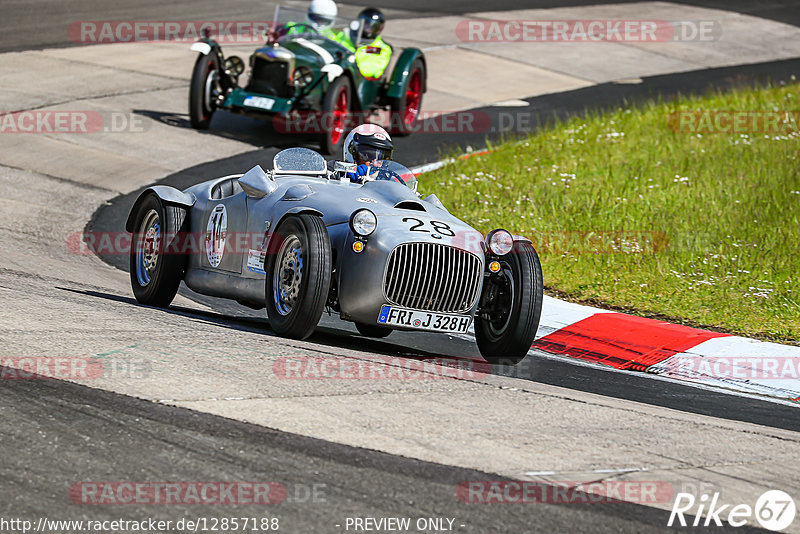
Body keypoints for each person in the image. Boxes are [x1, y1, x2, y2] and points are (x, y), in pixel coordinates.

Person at [329, 124, 393, 183]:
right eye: (368, 156)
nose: (376, 164)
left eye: (381, 158)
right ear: (352, 154)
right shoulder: (334, 172)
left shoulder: (389, 182)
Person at [353, 8, 392, 80]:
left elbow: (372, 70)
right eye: (366, 25)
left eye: (373, 27)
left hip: (360, 79)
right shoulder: (347, 35)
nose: (368, 29)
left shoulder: (382, 48)